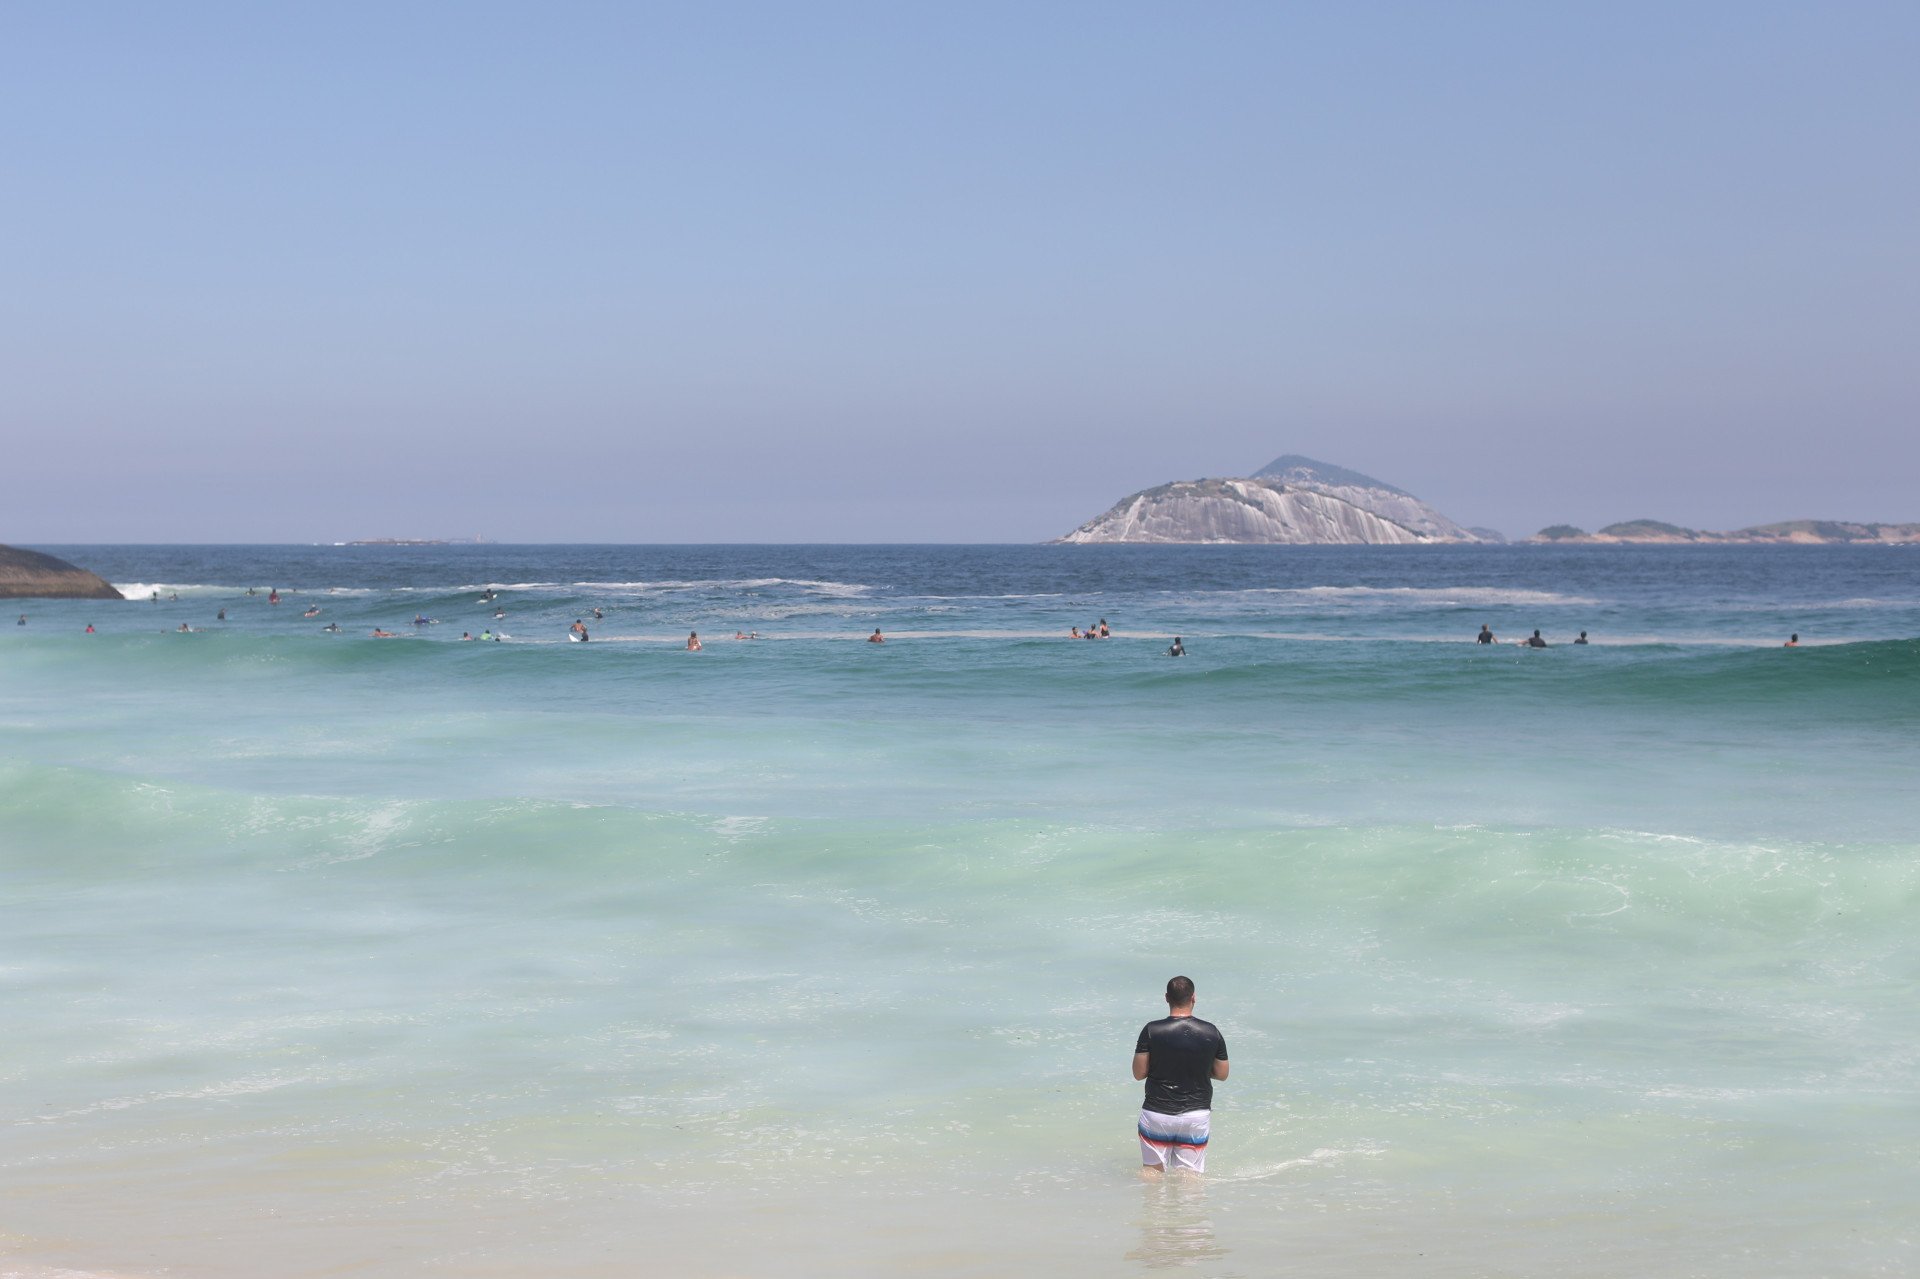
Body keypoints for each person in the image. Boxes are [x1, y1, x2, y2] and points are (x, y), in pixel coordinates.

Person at [1133, 976, 1228, 1175]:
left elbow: (1139, 1073)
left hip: (1157, 1113)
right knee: (1190, 1177)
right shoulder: (1211, 1032)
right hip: (1195, 1115)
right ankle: (1187, 1208)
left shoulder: (1151, 1030)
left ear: (1167, 998)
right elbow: (1222, 1073)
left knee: (1152, 1173)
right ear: (1193, 998)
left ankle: (1153, 1207)